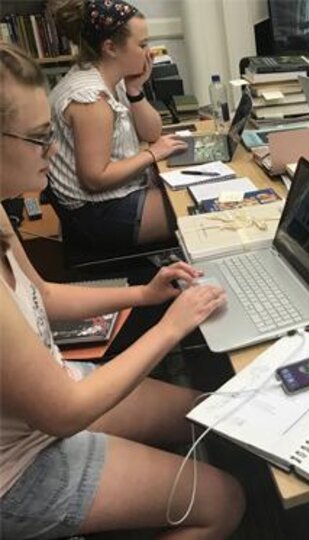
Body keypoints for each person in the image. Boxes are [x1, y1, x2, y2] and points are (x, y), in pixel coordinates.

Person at [0, 43, 244, 539]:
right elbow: (65, 415)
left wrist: (144, 296)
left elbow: (42, 295)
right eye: (39, 138)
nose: (52, 150)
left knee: (204, 413)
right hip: (18, 470)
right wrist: (172, 327)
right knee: (226, 501)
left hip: (53, 392)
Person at [46, 0, 188, 251]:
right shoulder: (90, 98)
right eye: (142, 44)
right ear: (110, 47)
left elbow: (152, 132)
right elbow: (95, 178)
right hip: (97, 214)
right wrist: (152, 154)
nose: (149, 52)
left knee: (196, 195)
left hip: (118, 196)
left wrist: (135, 90)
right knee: (196, 207)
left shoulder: (113, 79)